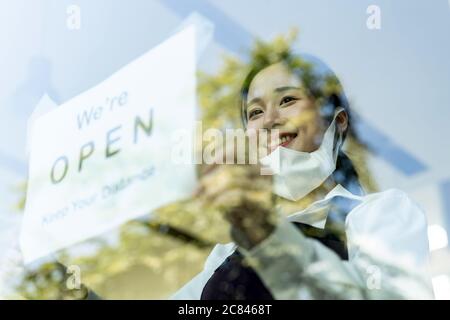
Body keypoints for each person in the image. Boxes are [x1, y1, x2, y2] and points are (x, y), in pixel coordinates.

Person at [171, 52, 434, 300]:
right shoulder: (225, 253)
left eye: (287, 100)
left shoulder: (382, 214)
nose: (269, 120)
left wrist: (266, 233)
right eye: (255, 113)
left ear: (337, 119)